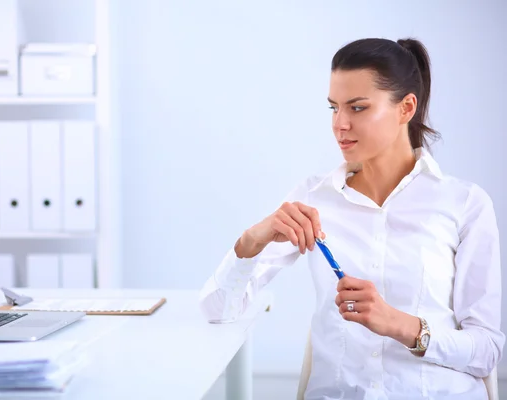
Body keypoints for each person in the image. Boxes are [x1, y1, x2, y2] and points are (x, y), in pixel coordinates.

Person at [199, 37, 504, 399]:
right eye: (333, 108)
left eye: (357, 108)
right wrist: (252, 240)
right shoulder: (313, 199)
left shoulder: (464, 204)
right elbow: (217, 311)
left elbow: (486, 351)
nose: (340, 124)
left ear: (406, 108)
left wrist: (401, 325)